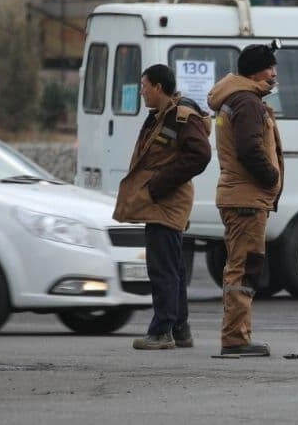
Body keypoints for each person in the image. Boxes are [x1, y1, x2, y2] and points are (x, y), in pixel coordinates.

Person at [113, 63, 212, 350]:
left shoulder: (181, 117)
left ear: (158, 87)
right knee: (173, 268)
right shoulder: (162, 115)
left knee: (162, 269)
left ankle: (161, 331)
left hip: (166, 203)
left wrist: (158, 186)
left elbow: (200, 155)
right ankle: (180, 329)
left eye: (145, 86)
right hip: (162, 203)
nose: (142, 92)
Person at [207, 41, 284, 357]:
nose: (274, 74)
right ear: (257, 70)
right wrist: (271, 178)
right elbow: (250, 149)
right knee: (244, 267)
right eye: (270, 68)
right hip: (246, 198)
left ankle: (237, 335)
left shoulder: (234, 99)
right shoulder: (247, 102)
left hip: (239, 195)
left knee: (239, 265)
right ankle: (236, 339)